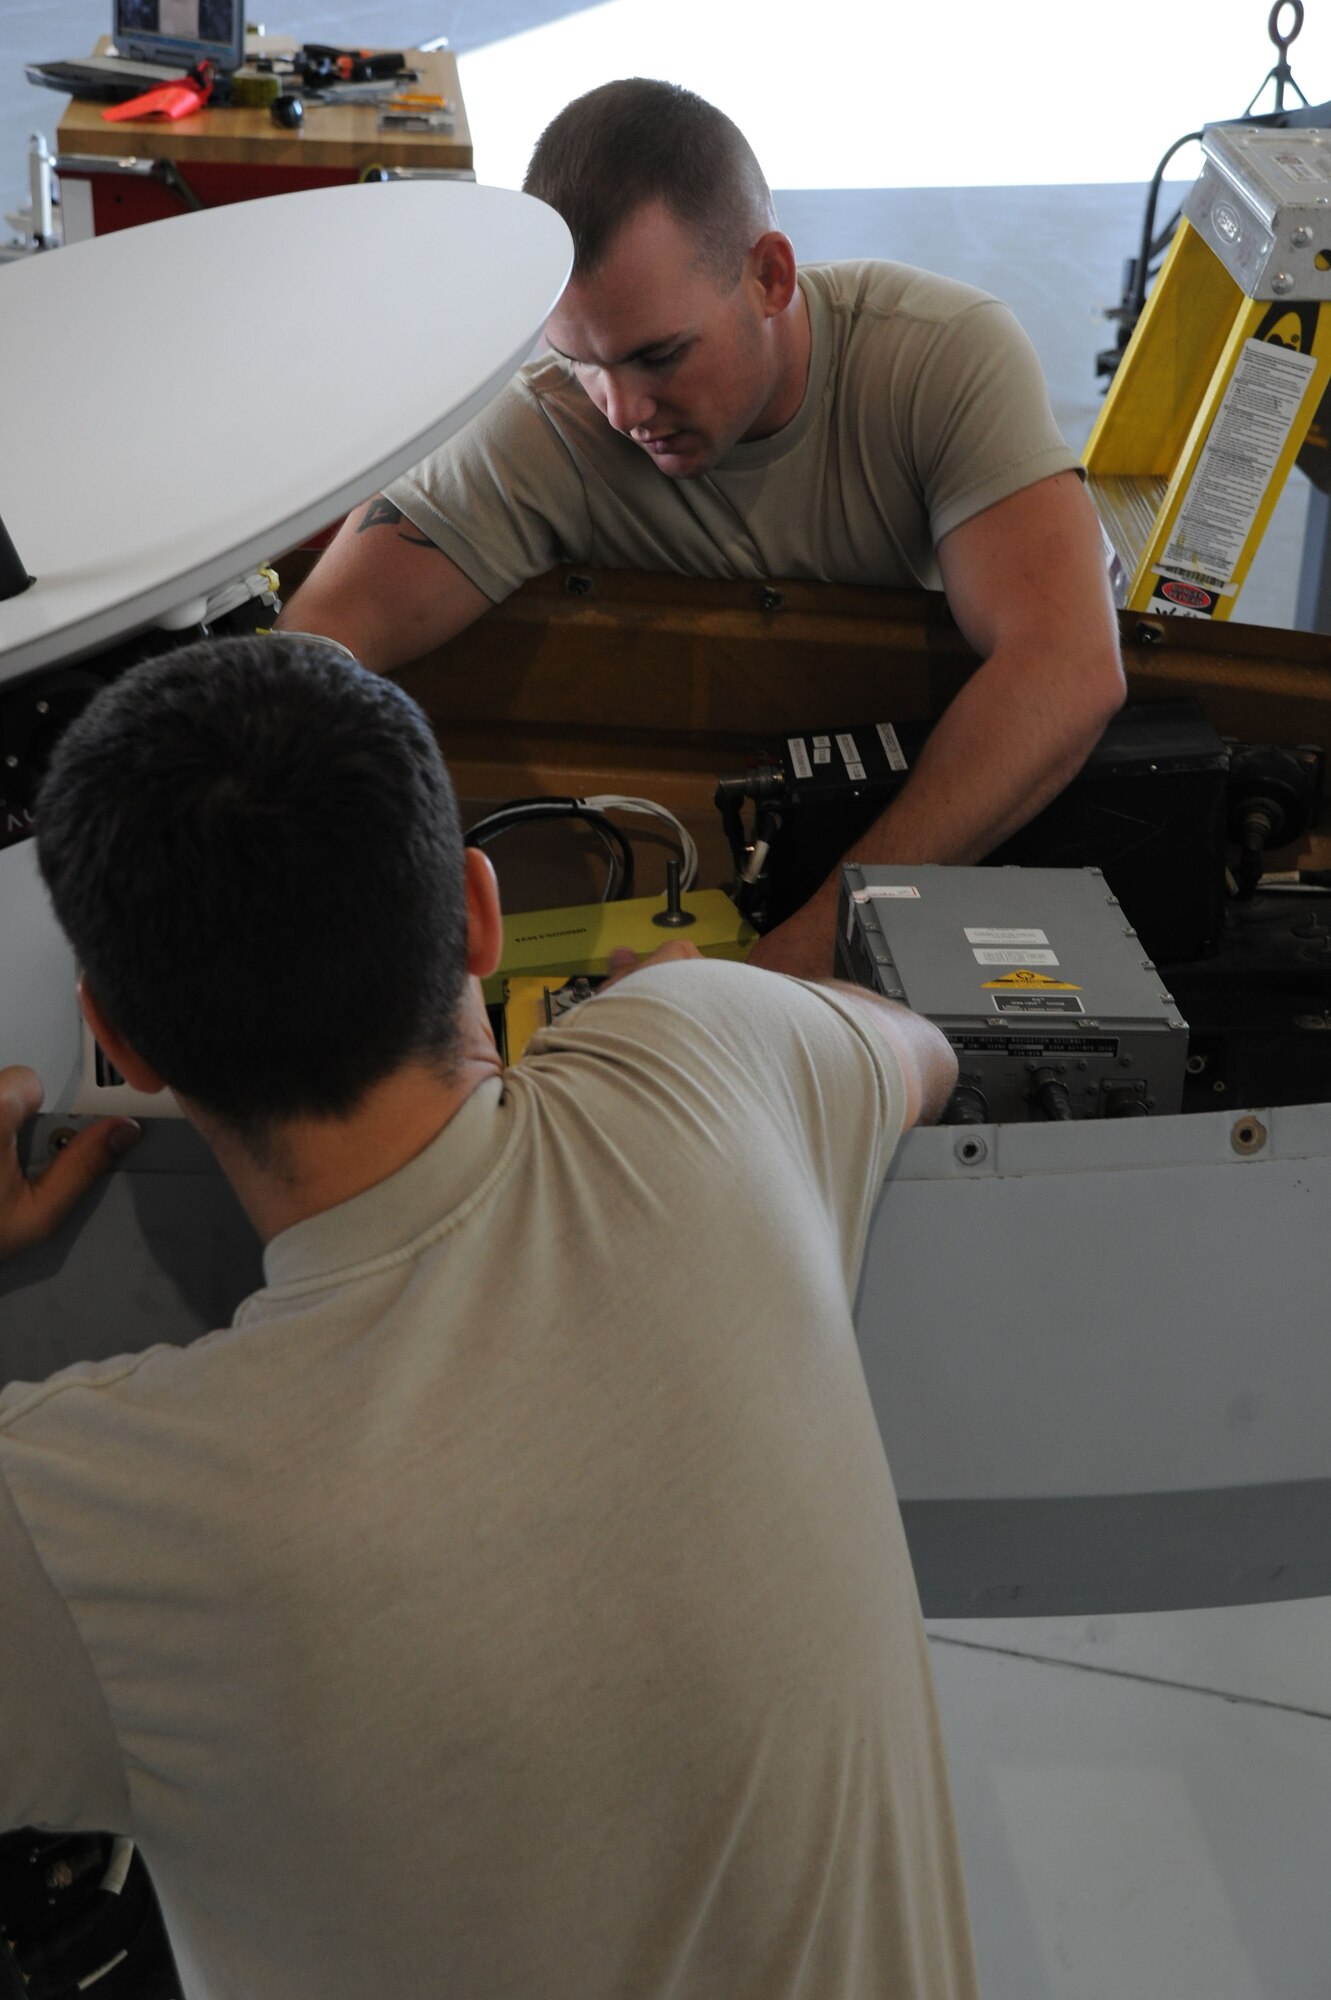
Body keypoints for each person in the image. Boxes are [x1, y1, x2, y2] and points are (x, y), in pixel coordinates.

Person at [0, 632, 974, 1999]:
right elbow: (915, 1044)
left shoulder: (73, 1519)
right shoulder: (712, 1061)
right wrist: (692, 1014)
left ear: (124, 1036)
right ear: (475, 912)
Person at [278, 76, 1125, 979]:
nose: (622, 408)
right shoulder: (554, 422)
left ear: (769, 275)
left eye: (658, 355)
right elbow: (321, 637)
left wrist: (806, 953)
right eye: (581, 360)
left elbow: (1067, 667)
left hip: (948, 853)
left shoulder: (939, 357)